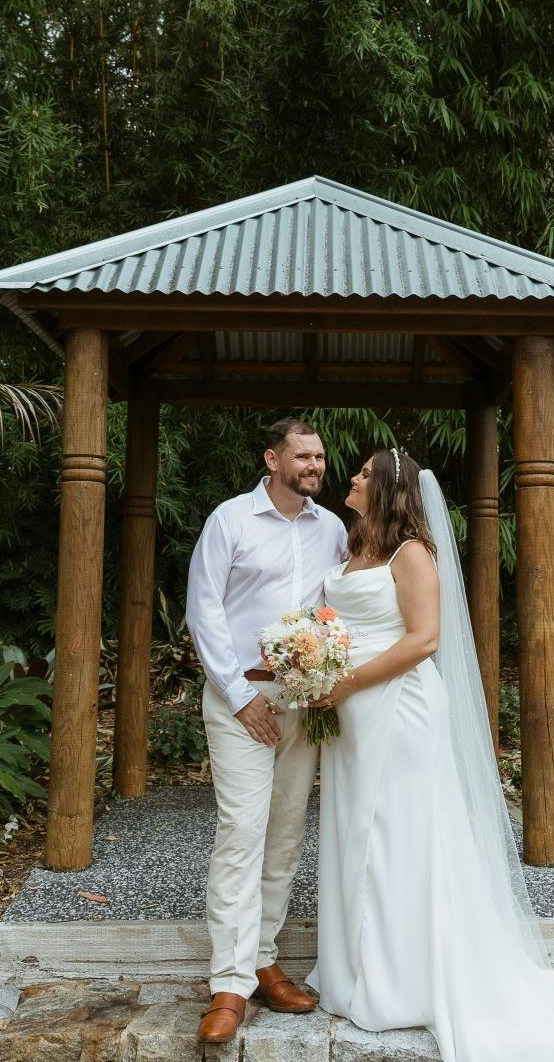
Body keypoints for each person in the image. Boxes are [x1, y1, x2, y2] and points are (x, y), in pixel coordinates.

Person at [308, 447, 554, 1060]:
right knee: (353, 832)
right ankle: (354, 971)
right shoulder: (352, 546)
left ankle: (402, 983)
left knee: (398, 838)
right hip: (351, 715)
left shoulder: (412, 554)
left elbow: (424, 639)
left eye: (365, 474)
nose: (352, 478)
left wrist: (344, 681)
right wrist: (316, 670)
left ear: (391, 489)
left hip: (399, 709)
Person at [184, 418, 349, 1043]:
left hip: (304, 699)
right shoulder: (229, 519)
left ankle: (262, 959)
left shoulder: (331, 527)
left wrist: (325, 680)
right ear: (272, 459)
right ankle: (228, 982)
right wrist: (239, 695)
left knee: (283, 833)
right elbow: (204, 609)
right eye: (303, 455)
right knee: (242, 830)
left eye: (320, 457)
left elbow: (337, 609)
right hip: (240, 697)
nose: (314, 465)